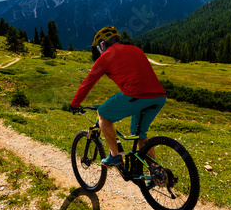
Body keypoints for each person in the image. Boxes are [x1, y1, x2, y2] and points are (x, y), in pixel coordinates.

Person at [69, 26, 166, 166]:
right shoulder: (135, 49)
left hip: (136, 95)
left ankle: (115, 155)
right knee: (139, 133)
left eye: (98, 48)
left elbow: (87, 82)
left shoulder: (106, 56)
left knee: (102, 113)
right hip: (159, 96)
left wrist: (74, 104)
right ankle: (156, 172)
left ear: (102, 44)